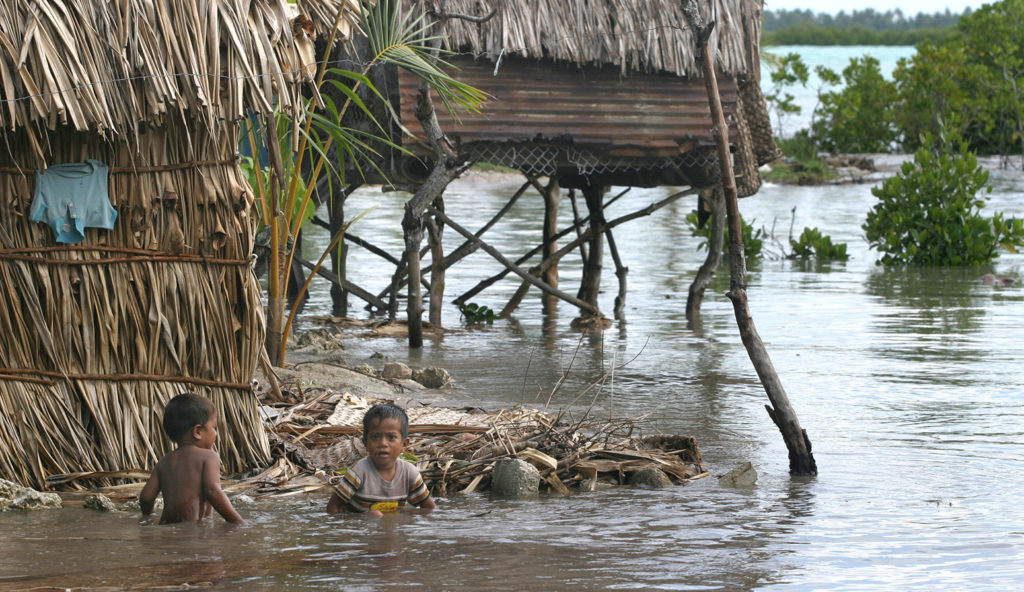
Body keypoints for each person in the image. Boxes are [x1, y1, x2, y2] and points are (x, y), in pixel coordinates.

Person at [139, 392, 245, 525]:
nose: (216, 433)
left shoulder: (164, 462)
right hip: (195, 530)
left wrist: (149, 515)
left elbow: (146, 497)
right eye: (214, 427)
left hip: (167, 530)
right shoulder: (209, 456)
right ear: (198, 432)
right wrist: (238, 522)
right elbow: (212, 490)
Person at [326, 403, 436, 516]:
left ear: (404, 444)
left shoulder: (409, 474)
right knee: (375, 516)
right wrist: (359, 519)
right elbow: (333, 508)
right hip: (362, 529)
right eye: (375, 437)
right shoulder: (359, 473)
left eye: (391, 437)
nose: (383, 443)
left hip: (392, 528)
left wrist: (409, 516)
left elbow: (429, 508)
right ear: (365, 443)